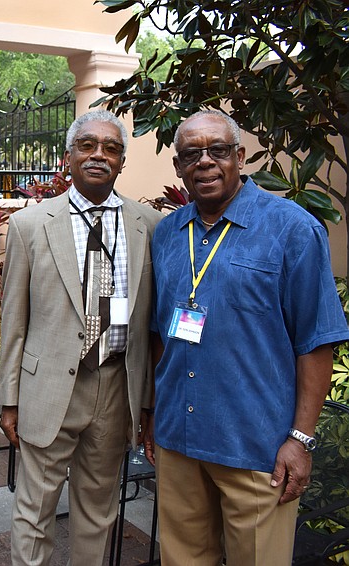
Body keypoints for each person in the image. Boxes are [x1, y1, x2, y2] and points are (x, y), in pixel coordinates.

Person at [148, 109, 349, 565]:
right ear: (178, 166)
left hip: (257, 448)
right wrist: (156, 413)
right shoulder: (167, 234)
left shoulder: (292, 229)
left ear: (239, 156)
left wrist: (301, 439)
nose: (205, 162)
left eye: (218, 151)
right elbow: (161, 331)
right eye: (191, 154)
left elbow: (317, 341)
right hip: (179, 440)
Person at [0, 109, 163, 565]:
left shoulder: (148, 225)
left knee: (99, 511)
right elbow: (13, 319)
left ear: (122, 162)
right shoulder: (29, 224)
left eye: (111, 148)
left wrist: (145, 401)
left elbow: (150, 321)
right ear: (68, 156)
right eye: (88, 145)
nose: (99, 155)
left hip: (115, 387)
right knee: (35, 511)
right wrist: (8, 399)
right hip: (48, 387)